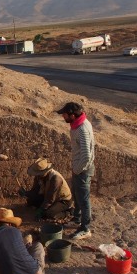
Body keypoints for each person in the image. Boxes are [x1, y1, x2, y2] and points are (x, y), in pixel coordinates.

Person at [56, 102, 96, 240]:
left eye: (65, 115)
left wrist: (77, 170)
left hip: (83, 169)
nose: (63, 117)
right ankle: (77, 219)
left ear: (72, 115)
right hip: (78, 168)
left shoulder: (82, 129)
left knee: (84, 200)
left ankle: (85, 228)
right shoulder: (77, 125)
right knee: (77, 196)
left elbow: (86, 156)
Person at [20, 158, 74, 222]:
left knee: (49, 213)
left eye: (38, 174)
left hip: (62, 201)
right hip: (48, 197)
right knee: (31, 201)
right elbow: (35, 190)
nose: (37, 175)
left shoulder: (55, 179)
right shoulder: (39, 177)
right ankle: (46, 209)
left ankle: (68, 212)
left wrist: (41, 209)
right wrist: (26, 193)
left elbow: (50, 199)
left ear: (45, 172)